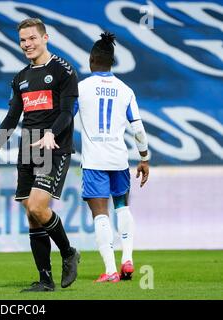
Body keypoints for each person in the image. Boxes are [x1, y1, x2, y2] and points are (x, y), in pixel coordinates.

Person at [0, 18, 80, 292]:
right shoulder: (20, 77)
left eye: (32, 38)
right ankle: (45, 281)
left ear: (45, 38)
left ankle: (68, 253)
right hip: (29, 145)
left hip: (53, 147)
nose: (27, 44)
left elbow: (67, 113)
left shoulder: (64, 71)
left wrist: (52, 133)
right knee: (31, 215)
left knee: (37, 207)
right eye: (22, 40)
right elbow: (12, 116)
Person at [74, 32, 150, 282]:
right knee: (122, 207)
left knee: (100, 215)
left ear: (92, 60)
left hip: (94, 162)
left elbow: (64, 120)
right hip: (119, 160)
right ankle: (127, 259)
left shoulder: (81, 88)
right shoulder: (126, 90)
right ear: (111, 61)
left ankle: (110, 270)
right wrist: (144, 157)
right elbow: (137, 128)